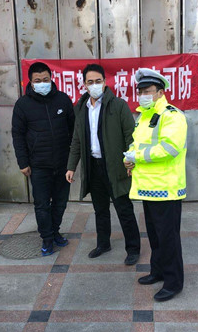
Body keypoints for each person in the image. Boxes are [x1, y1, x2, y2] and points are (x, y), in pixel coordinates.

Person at [66, 64, 141, 265]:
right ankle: (103, 243)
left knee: (124, 209)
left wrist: (131, 160)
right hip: (93, 166)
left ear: (105, 82)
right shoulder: (81, 108)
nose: (94, 85)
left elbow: (130, 136)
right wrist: (71, 166)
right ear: (84, 85)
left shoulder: (118, 105)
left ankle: (133, 249)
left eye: (98, 81)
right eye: (90, 82)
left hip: (115, 166)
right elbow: (76, 140)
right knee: (100, 209)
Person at [124, 68, 188, 302]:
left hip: (166, 188)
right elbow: (137, 143)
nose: (143, 95)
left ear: (160, 92)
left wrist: (137, 156)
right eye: (140, 91)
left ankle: (173, 282)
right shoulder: (144, 116)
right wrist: (129, 157)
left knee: (168, 238)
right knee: (155, 235)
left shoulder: (172, 116)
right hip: (149, 187)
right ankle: (158, 271)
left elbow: (169, 149)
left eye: (148, 91)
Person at [12, 62, 75, 256]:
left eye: (45, 79)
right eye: (37, 80)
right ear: (30, 82)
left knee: (60, 202)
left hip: (62, 164)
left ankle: (55, 232)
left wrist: (72, 160)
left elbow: (73, 130)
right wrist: (23, 162)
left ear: (51, 79)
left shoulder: (63, 100)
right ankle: (47, 239)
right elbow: (17, 135)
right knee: (42, 205)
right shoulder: (23, 105)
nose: (42, 83)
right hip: (38, 165)